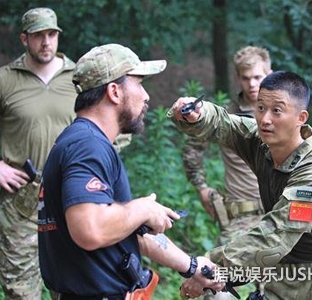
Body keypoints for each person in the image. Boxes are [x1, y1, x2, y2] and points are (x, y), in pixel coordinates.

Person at [38, 43, 223, 300]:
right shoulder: (87, 145)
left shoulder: (80, 141)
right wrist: (144, 209)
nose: (146, 96)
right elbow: (89, 229)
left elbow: (120, 229)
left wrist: (192, 266)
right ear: (114, 91)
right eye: (139, 83)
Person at [169, 71, 312, 299]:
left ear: (301, 118)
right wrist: (199, 113)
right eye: (260, 108)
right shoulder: (261, 141)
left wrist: (209, 266)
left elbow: (277, 233)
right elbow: (225, 124)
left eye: (277, 111)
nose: (265, 119)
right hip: (281, 271)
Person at [181, 46, 271, 299]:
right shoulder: (225, 115)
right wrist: (201, 187)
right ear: (238, 78)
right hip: (239, 217)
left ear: (269, 73)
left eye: (258, 77)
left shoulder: (283, 112)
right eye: (246, 78)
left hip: (277, 216)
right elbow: (192, 149)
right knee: (214, 286)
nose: (252, 84)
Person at [0, 7, 76, 299]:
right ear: (24, 39)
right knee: (21, 292)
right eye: (38, 35)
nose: (46, 42)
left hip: (70, 196)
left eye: (51, 34)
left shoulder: (78, 77)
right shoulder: (6, 79)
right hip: (21, 201)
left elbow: (109, 125)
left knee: (74, 286)